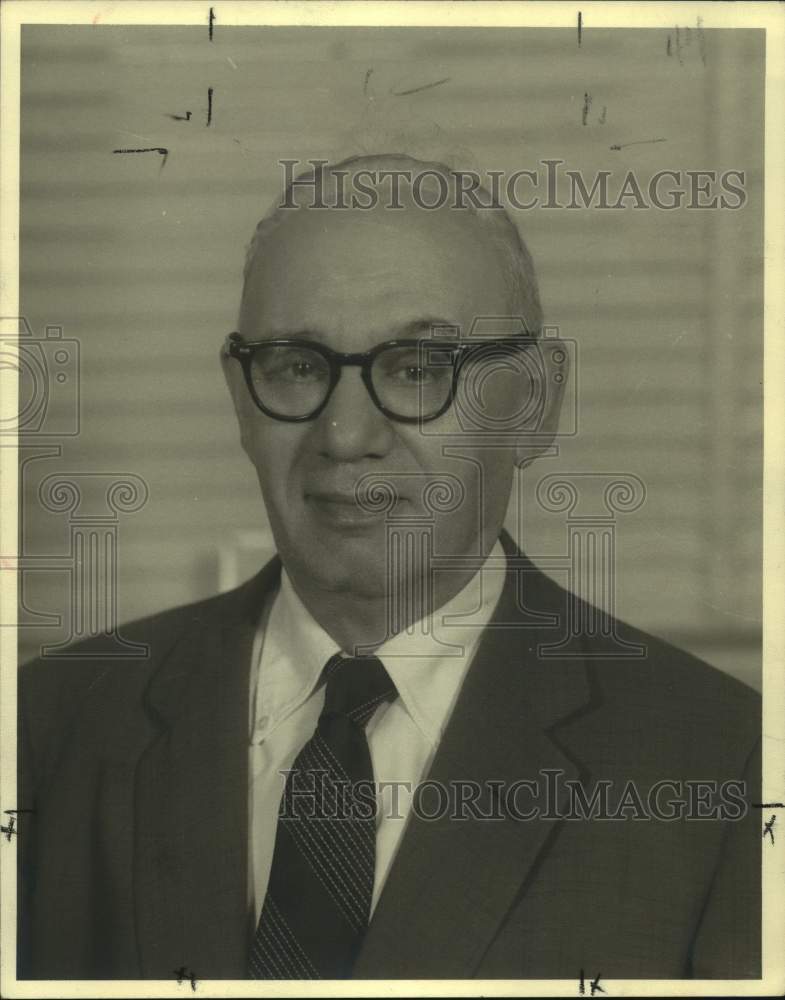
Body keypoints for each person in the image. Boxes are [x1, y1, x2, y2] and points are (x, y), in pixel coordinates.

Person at [18, 154, 760, 981]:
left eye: (417, 370)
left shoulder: (723, 767)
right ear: (238, 396)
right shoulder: (42, 730)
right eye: (296, 366)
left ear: (536, 402)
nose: (344, 437)